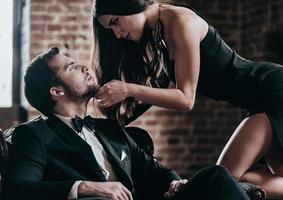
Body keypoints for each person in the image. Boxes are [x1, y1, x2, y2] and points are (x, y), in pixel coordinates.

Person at [91, 0, 283, 199]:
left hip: (272, 90)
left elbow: (185, 98)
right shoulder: (160, 30)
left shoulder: (181, 22)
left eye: (115, 22)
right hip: (264, 96)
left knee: (224, 178)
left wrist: (127, 89)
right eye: (111, 30)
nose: (117, 34)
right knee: (279, 176)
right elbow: (165, 89)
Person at [1, 47, 249, 200]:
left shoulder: (109, 129)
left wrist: (174, 183)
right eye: (71, 67)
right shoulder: (34, 135)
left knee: (216, 177)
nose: (84, 67)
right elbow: (18, 189)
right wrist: (88, 188)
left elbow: (155, 171)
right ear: (56, 91)